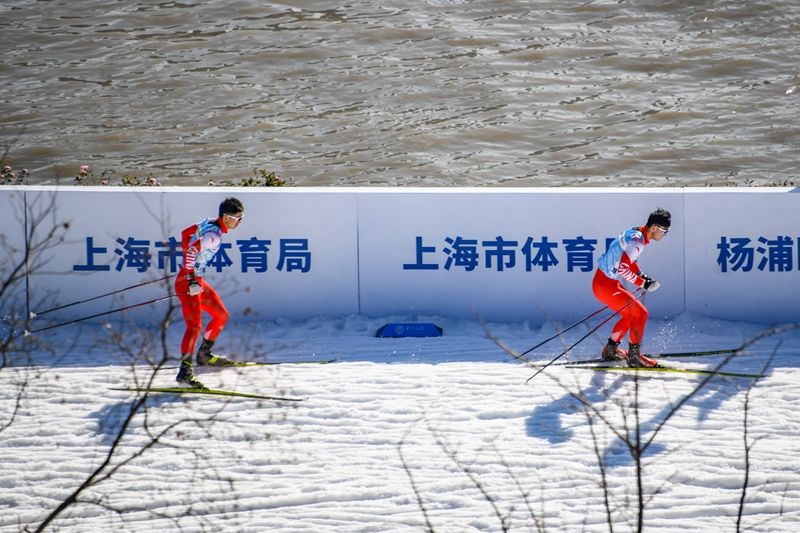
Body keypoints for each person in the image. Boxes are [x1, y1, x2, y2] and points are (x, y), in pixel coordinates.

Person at [175, 197, 244, 388]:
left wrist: (190, 271)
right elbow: (191, 249)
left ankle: (204, 355)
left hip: (197, 279)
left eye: (242, 217)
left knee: (221, 315)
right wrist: (189, 277)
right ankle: (185, 373)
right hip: (189, 282)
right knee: (194, 327)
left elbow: (185, 233)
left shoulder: (207, 222)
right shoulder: (214, 236)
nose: (240, 221)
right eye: (238, 218)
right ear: (226, 217)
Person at [592, 208, 671, 368]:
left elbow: (629, 261)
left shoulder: (637, 233)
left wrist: (643, 276)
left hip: (605, 283)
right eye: (665, 231)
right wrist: (643, 283)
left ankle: (611, 349)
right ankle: (634, 357)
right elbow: (623, 269)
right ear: (654, 228)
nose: (665, 234)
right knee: (641, 314)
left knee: (631, 315)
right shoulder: (637, 242)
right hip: (606, 286)